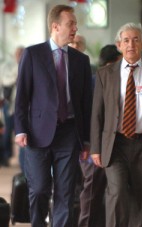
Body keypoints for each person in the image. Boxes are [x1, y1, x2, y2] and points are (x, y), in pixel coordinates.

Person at [14, 5, 92, 227]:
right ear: (55, 26)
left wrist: (85, 139)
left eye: (75, 24)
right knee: (39, 189)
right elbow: (22, 97)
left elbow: (85, 103)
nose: (75, 28)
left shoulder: (81, 60)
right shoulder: (33, 54)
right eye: (71, 24)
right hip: (37, 133)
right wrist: (20, 129)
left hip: (69, 132)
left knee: (65, 192)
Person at [90, 22, 142, 227]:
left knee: (139, 199)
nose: (131, 44)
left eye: (136, 40)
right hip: (115, 144)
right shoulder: (106, 74)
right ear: (119, 45)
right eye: (126, 40)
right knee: (117, 192)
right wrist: (95, 148)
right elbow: (97, 113)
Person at [77, 43, 121, 227]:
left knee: (109, 193)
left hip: (115, 146)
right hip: (95, 147)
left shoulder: (121, 80)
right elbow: (90, 116)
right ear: (113, 62)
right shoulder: (95, 82)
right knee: (92, 191)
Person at [0, 46, 24, 167]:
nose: (19, 55)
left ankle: (22, 159)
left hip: (20, 106)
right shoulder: (8, 67)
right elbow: (4, 82)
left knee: (20, 132)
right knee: (7, 131)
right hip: (9, 105)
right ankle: (6, 156)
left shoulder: (26, 65)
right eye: (18, 53)